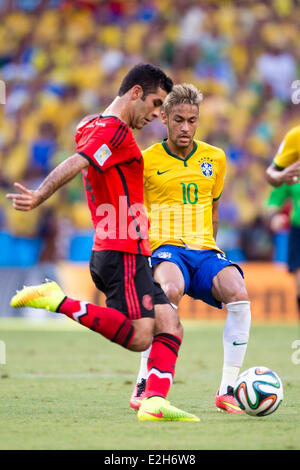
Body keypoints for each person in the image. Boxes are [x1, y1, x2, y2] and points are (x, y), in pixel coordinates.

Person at [6, 64, 200, 422]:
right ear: (136, 93)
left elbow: (94, 160)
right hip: (121, 249)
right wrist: (39, 195)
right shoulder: (114, 132)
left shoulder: (90, 124)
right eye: (156, 104)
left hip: (125, 249)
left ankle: (152, 402)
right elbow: (78, 162)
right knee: (143, 336)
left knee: (170, 324)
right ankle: (58, 300)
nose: (158, 115)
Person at [129, 84, 251, 414]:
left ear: (198, 121)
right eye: (179, 120)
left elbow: (213, 208)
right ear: (164, 118)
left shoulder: (215, 158)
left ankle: (227, 389)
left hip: (205, 249)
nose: (185, 127)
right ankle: (144, 382)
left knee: (238, 292)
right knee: (168, 290)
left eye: (192, 120)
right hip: (166, 247)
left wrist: (212, 248)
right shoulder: (147, 160)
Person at [265, 181, 300, 320]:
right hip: (298, 229)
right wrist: (274, 216)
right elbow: (274, 199)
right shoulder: (293, 171)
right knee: (298, 275)